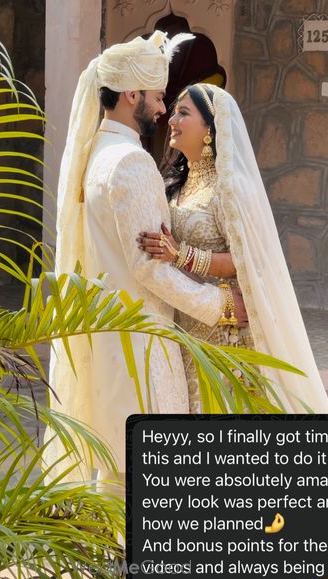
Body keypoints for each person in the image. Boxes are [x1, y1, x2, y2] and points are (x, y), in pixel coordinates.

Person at [45, 36, 247, 482]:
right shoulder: (132, 161)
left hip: (108, 331)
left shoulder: (95, 154)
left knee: (117, 469)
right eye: (157, 97)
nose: (162, 109)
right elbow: (149, 268)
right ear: (131, 94)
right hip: (142, 340)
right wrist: (222, 306)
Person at [137, 83, 328, 415]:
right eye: (173, 112)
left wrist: (181, 255)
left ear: (210, 130)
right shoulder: (173, 185)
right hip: (185, 322)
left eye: (183, 113)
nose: (172, 120)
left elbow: (248, 261)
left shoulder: (231, 190)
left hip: (226, 328)